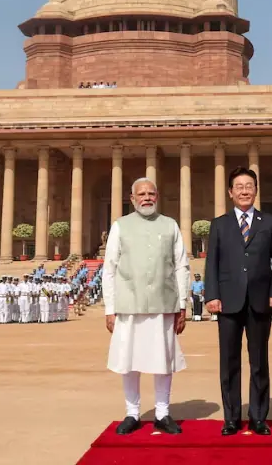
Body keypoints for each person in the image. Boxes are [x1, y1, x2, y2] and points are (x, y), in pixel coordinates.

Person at [102, 177, 189, 435]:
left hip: (164, 303)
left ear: (157, 196)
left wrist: (182, 305)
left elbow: (181, 266)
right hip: (129, 304)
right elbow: (110, 268)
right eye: (142, 194)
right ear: (132, 198)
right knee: (129, 361)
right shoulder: (120, 226)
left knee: (163, 360)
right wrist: (109, 308)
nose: (147, 197)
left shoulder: (170, 225)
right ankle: (132, 412)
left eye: (151, 193)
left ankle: (162, 412)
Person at [204, 167, 272, 436]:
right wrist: (212, 295)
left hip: (261, 300)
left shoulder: (270, 223)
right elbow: (212, 264)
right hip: (228, 301)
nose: (244, 190)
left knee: (259, 361)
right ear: (230, 192)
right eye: (238, 186)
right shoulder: (220, 224)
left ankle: (258, 417)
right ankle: (231, 418)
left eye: (249, 185)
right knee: (229, 362)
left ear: (256, 190)